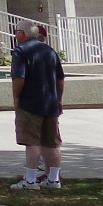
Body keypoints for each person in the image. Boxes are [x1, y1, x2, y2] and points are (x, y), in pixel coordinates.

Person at [9, 23, 66, 189]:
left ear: (21, 34)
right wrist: (59, 99)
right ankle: (54, 179)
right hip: (50, 103)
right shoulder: (50, 51)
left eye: (16, 32)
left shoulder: (21, 51)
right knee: (52, 142)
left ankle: (30, 181)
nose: (16, 36)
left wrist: (16, 97)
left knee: (32, 142)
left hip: (30, 103)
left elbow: (19, 78)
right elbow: (60, 79)